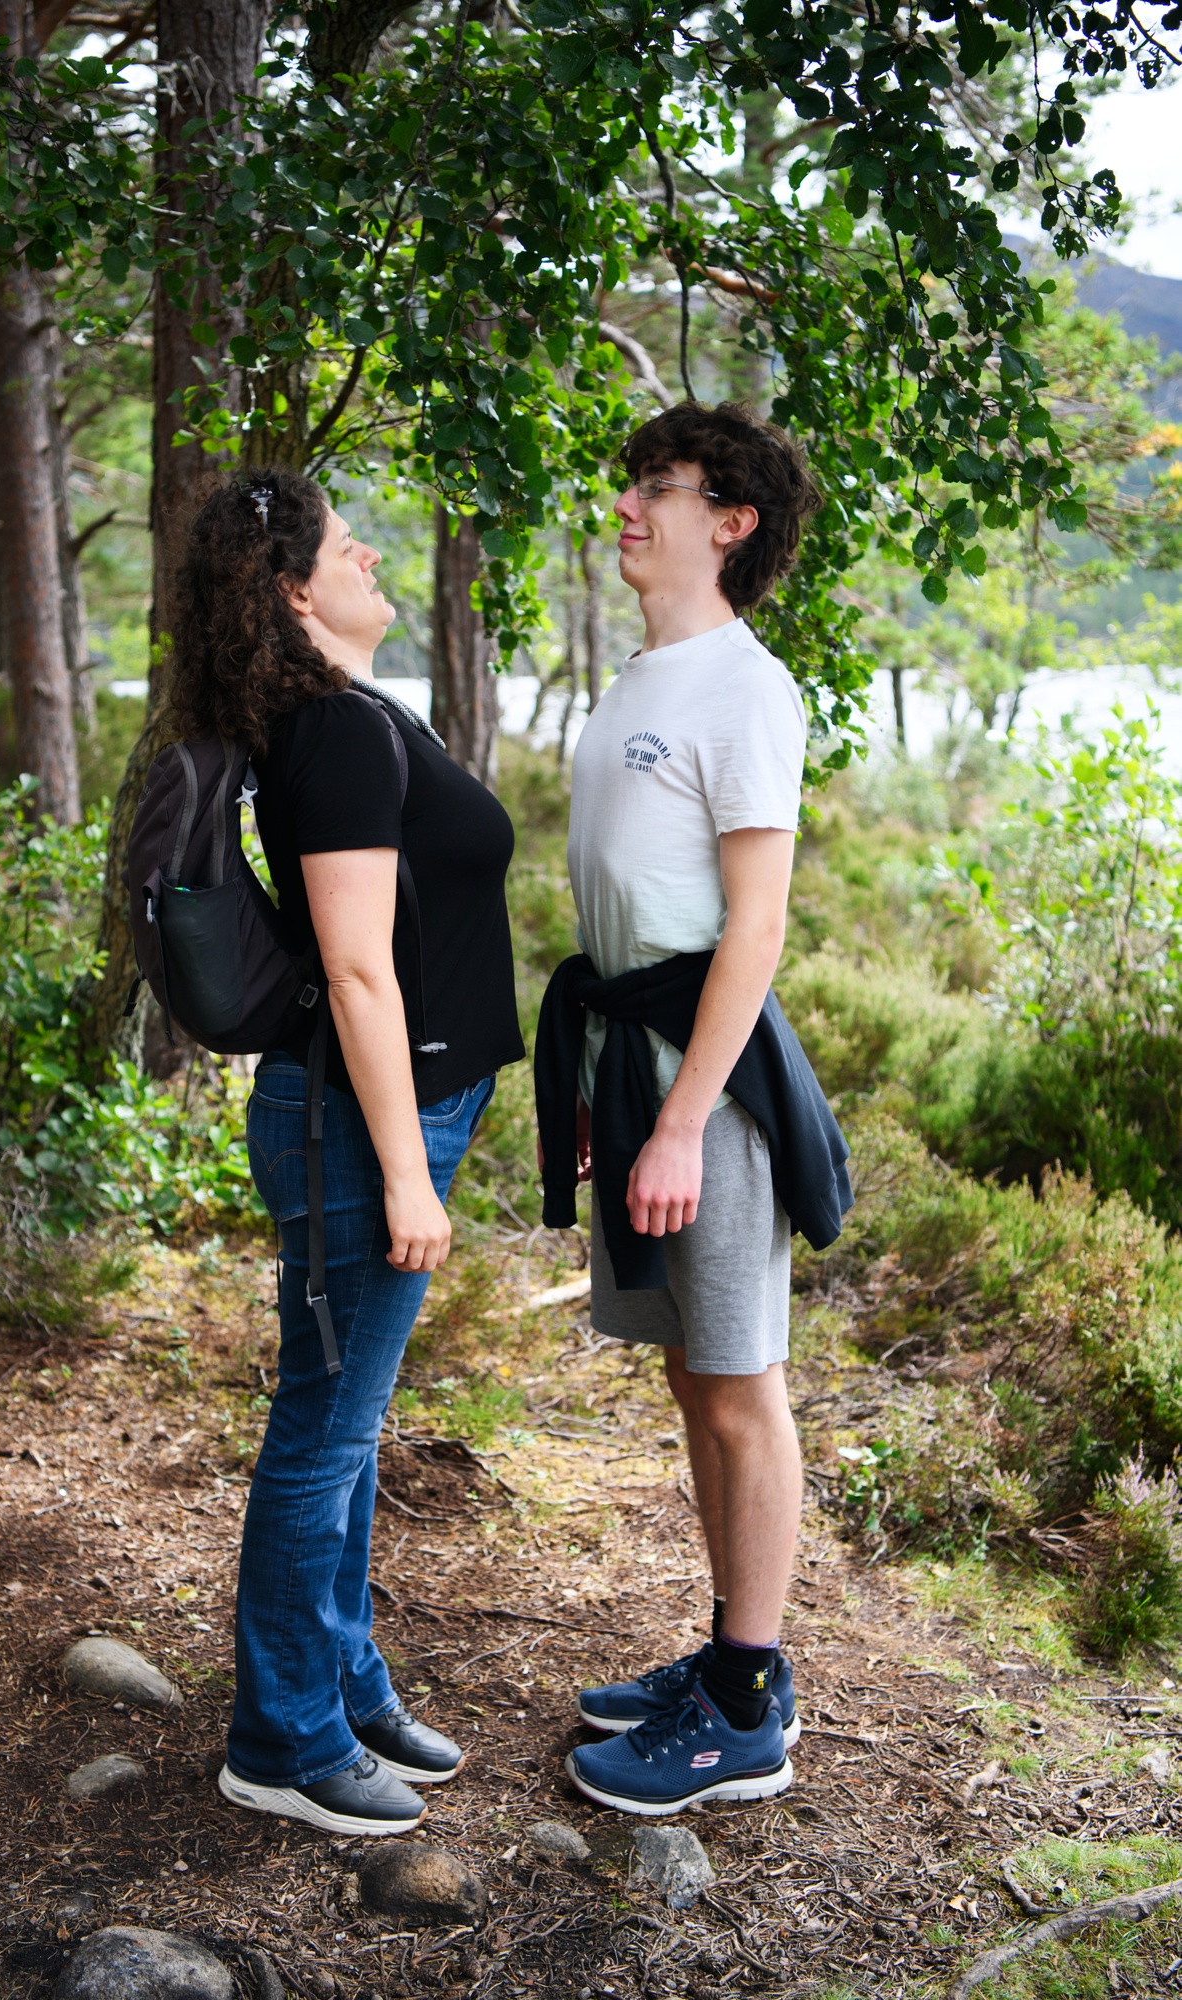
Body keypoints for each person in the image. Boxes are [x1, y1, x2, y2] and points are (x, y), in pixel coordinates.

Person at [168, 471, 525, 1837]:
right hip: (362, 1127)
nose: (369, 550)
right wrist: (406, 1172)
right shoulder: (333, 734)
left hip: (383, 1116)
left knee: (347, 1428)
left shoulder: (355, 717)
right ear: (290, 590)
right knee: (321, 1436)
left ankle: (346, 1681)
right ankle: (282, 1739)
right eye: (341, 543)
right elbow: (360, 971)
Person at [535, 402, 848, 1815]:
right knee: (689, 1374)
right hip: (636, 1065)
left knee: (739, 1381)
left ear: (728, 522)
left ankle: (747, 1711)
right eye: (630, 484)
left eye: (655, 487)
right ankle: (729, 1658)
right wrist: (613, 1098)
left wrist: (677, 1122)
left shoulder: (744, 688)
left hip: (705, 1090)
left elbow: (755, 928)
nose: (626, 506)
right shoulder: (638, 680)